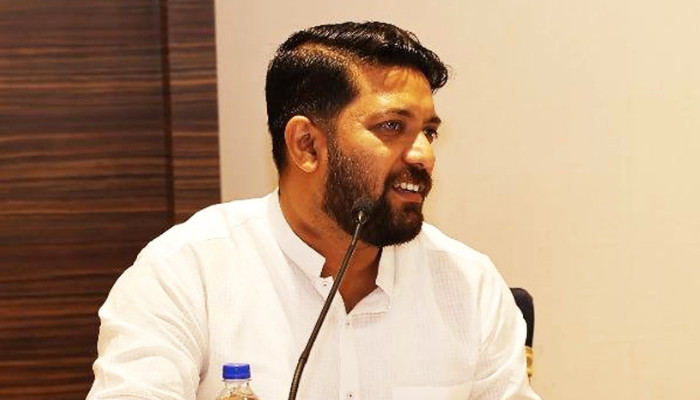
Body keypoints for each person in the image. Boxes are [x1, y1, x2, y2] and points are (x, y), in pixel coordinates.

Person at [87, 21, 540, 400]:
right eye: (392, 126)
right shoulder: (186, 273)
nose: (423, 155)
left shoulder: (468, 285)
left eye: (429, 132)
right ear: (306, 145)